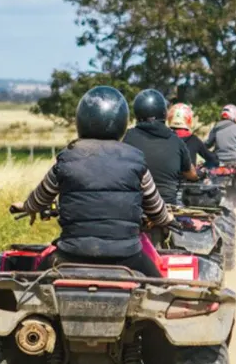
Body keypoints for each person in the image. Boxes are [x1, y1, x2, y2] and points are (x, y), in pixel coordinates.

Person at [10, 85, 173, 277]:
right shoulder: (136, 160)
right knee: (159, 289)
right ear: (121, 122)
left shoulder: (67, 157)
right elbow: (155, 208)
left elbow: (39, 199)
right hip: (126, 255)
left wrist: (27, 207)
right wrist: (167, 218)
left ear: (81, 121)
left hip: (71, 254)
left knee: (32, 285)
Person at [122, 89, 198, 205]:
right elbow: (192, 175)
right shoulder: (176, 141)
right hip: (167, 209)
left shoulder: (126, 138)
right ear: (164, 113)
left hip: (135, 207)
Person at [167, 103, 220, 169]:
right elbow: (213, 159)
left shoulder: (164, 138)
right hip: (188, 177)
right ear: (189, 119)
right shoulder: (193, 140)